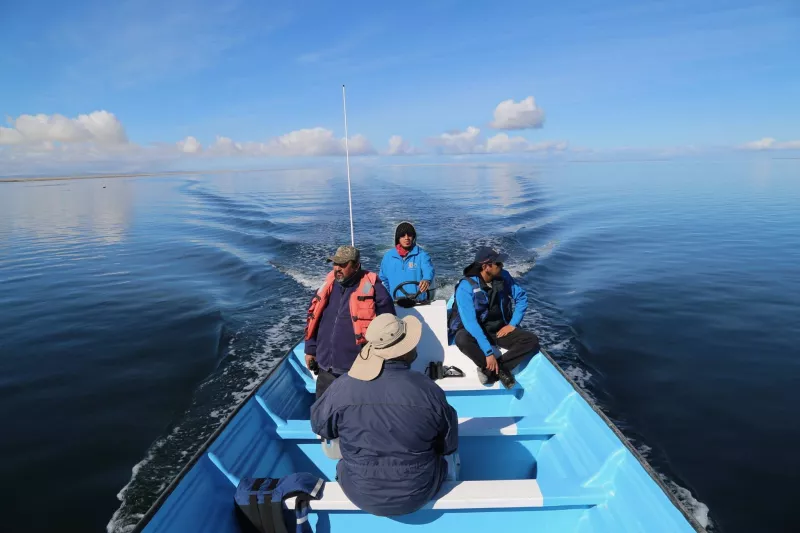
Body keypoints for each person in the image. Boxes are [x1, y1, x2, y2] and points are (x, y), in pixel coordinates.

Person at [310, 313, 459, 517]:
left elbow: (319, 425)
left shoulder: (343, 386)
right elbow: (448, 445)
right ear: (405, 351)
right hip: (418, 492)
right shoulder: (430, 390)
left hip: (359, 492)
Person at [304, 245, 395, 398]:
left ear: (356, 266)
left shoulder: (374, 289)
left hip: (357, 369)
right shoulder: (328, 286)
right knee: (322, 413)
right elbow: (314, 318)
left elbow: (389, 326)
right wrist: (310, 349)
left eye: (343, 264)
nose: (337, 268)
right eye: (335, 264)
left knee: (355, 415)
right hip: (326, 368)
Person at [447, 246, 540, 388]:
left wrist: (512, 324)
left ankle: (495, 370)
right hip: (477, 331)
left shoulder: (504, 276)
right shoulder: (465, 287)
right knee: (462, 339)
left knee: (531, 340)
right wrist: (488, 352)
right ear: (486, 267)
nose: (502, 266)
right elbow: (470, 323)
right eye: (498, 264)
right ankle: (495, 368)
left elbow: (521, 298)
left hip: (499, 329)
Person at [378, 221, 435, 306]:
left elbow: (428, 270)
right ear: (398, 238)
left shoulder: (422, 255)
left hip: (418, 303)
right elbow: (383, 279)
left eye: (409, 235)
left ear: (413, 237)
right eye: (403, 235)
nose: (406, 238)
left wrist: (426, 279)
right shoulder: (388, 257)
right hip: (395, 304)